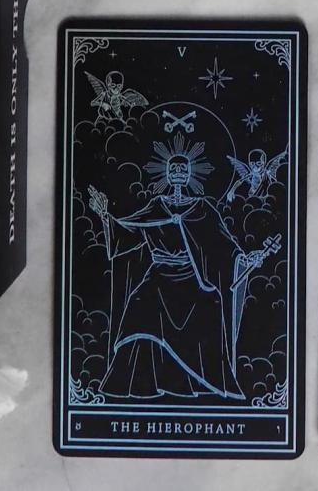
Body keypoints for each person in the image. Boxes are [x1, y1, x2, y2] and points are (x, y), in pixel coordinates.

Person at [88, 142, 273, 400]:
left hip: (191, 278)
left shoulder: (202, 208)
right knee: (137, 305)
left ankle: (193, 382)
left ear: (189, 174)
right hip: (158, 276)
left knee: (211, 304)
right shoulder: (157, 206)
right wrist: (105, 216)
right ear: (165, 173)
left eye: (182, 169)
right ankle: (140, 383)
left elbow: (225, 243)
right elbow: (129, 232)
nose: (177, 172)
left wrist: (244, 258)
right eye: (172, 168)